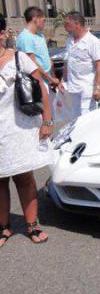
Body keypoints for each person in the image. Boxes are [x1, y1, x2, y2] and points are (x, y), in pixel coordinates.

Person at [0, 31, 54, 246]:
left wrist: (47, 121)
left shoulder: (18, 57)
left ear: (2, 34)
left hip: (19, 128)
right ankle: (4, 226)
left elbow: (40, 88)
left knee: (24, 177)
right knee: (0, 180)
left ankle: (32, 225)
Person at [63, 12, 100, 118]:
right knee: (75, 119)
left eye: (67, 24)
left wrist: (98, 88)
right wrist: (63, 80)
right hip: (73, 88)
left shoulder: (92, 41)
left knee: (87, 120)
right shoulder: (69, 40)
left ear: (77, 24)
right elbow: (67, 61)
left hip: (87, 88)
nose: (65, 27)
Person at [16, 6, 60, 91]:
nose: (45, 23)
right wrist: (50, 79)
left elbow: (47, 59)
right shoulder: (26, 37)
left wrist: (52, 77)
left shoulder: (40, 36)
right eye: (43, 20)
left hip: (47, 80)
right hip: (38, 82)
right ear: (35, 19)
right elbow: (32, 63)